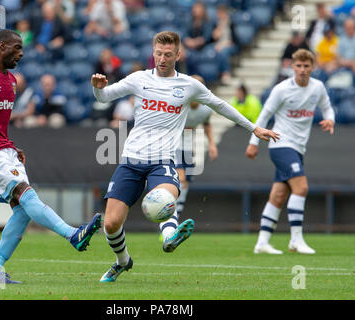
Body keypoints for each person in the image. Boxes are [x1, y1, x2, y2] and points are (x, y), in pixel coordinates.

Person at [91, 31, 279, 282]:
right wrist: (97, 89)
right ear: (153, 52)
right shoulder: (138, 79)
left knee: (167, 194)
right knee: (111, 224)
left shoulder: (189, 85)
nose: (162, 59)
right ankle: (123, 261)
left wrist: (253, 127)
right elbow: (104, 97)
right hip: (131, 160)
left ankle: (169, 237)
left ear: (178, 54)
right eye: (158, 53)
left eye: (168, 54)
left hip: (163, 160)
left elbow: (219, 105)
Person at [0, 29, 102, 284]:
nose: (21, 53)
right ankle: (73, 235)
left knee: (23, 211)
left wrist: (11, 146)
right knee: (27, 193)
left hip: (3, 150)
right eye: (16, 48)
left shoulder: (11, 82)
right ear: (1, 47)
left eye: (22, 48)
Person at [246, 49, 335, 255]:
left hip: (298, 148)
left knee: (278, 195)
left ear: (313, 67)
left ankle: (262, 243)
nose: (302, 70)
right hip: (280, 144)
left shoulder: (317, 87)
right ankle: (296, 239)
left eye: (306, 66)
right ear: (292, 67)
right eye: (298, 66)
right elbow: (264, 115)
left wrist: (330, 119)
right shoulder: (281, 89)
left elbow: (328, 108)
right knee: (301, 187)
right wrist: (253, 142)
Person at [159, 74, 218, 233]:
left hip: (188, 148)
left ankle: (172, 221)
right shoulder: (178, 104)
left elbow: (207, 125)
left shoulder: (205, 109)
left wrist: (212, 144)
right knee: (180, 178)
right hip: (172, 145)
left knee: (185, 184)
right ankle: (169, 225)